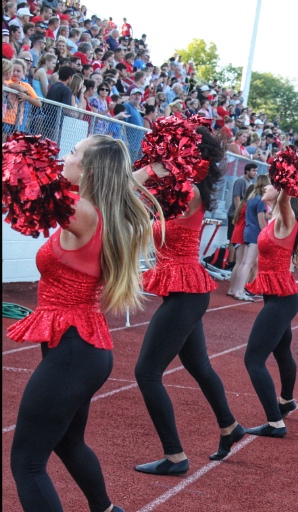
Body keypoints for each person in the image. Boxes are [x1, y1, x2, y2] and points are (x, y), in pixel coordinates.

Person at [8, 135, 162, 512]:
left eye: (73, 153)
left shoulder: (84, 212)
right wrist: (150, 168)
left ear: (90, 170)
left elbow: (29, 183)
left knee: (27, 463)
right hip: (80, 346)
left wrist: (15, 155)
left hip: (75, 351)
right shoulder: (100, 208)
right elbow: (121, 180)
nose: (64, 157)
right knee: (68, 443)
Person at [131, 127, 244, 476]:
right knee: (199, 366)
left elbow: (125, 184)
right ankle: (230, 426)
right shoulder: (173, 190)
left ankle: (175, 456)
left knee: (147, 373)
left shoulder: (188, 190)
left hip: (186, 292)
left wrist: (154, 168)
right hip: (185, 290)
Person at [243, 184, 298, 438]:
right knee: (281, 351)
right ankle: (287, 401)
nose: (265, 187)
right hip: (278, 297)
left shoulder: (285, 216)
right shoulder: (279, 218)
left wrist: (288, 180)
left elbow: (287, 199)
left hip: (282, 300)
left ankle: (275, 422)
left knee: (253, 360)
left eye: (271, 184)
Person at [228, 175, 271, 301]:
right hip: (255, 232)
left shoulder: (251, 198)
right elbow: (260, 220)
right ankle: (240, 290)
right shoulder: (260, 200)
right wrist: (266, 234)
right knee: (248, 263)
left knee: (243, 263)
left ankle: (237, 289)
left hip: (248, 231)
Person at [226, 162, 257, 265]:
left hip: (243, 215)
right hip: (235, 214)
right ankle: (229, 263)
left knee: (238, 240)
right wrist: (238, 212)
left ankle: (234, 262)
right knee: (232, 239)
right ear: (247, 171)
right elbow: (236, 197)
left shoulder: (250, 183)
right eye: (253, 170)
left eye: (256, 170)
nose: (255, 173)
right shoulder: (241, 181)